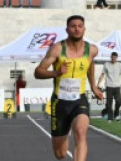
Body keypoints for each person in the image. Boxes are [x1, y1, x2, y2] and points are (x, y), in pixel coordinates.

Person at [34, 15, 103, 161]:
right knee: (60, 154)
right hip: (60, 102)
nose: (76, 29)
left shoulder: (92, 50)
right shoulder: (57, 49)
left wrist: (94, 86)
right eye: (73, 26)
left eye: (80, 26)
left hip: (80, 99)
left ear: (84, 29)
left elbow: (90, 64)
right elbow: (38, 72)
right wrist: (56, 72)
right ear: (67, 29)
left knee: (80, 131)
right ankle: (64, 135)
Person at [97, 51, 121, 121]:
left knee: (119, 102)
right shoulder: (106, 64)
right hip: (109, 86)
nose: (113, 59)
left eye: (115, 58)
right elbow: (102, 75)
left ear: (116, 58)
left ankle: (116, 114)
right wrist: (98, 84)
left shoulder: (120, 65)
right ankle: (110, 118)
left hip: (117, 87)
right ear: (111, 57)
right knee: (109, 103)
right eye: (112, 58)